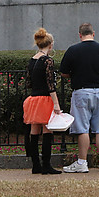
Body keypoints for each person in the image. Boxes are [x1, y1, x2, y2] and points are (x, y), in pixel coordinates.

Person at [59, 23, 99, 173]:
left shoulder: (73, 50)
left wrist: (76, 75)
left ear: (80, 35)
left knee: (82, 129)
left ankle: (82, 162)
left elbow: (63, 72)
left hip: (81, 91)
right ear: (93, 33)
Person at [21, 28, 62, 175]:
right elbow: (51, 85)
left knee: (34, 131)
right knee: (47, 131)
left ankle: (35, 165)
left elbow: (28, 83)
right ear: (50, 45)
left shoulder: (32, 60)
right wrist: (56, 104)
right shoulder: (48, 61)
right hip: (45, 99)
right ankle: (46, 165)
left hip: (33, 99)